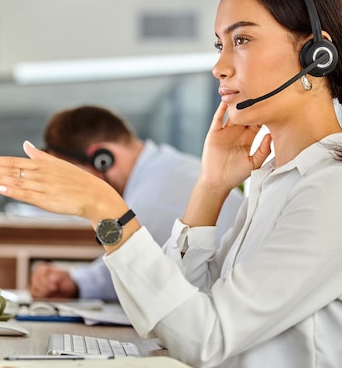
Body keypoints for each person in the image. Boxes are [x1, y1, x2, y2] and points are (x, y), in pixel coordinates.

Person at [0, 0, 342, 368]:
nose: (219, 67)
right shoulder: (279, 180)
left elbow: (203, 339)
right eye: (220, 44)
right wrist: (210, 188)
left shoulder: (340, 191)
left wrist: (104, 210)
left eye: (241, 40)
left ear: (316, 56)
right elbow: (185, 312)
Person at [29, 105, 244, 299]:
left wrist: (76, 282)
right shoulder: (162, 167)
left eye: (72, 176)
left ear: (102, 159)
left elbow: (140, 276)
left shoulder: (154, 198)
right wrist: (75, 282)